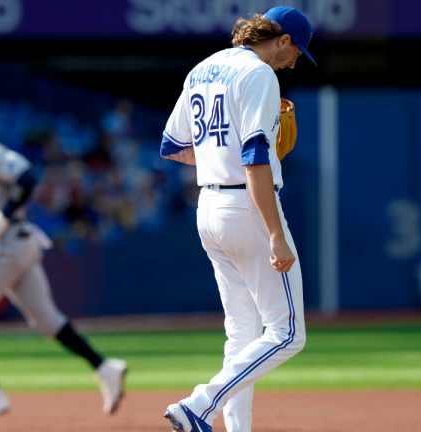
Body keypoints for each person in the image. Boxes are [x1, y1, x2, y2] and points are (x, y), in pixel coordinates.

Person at [158, 6, 315, 432]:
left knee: (242, 332)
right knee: (287, 333)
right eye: (297, 50)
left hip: (208, 208)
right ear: (282, 40)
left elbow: (172, 146)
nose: (295, 60)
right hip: (246, 207)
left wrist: (219, 160)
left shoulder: (202, 69)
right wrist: (275, 235)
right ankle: (199, 403)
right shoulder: (261, 74)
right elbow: (255, 158)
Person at [0, 96, 128, 427]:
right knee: (47, 321)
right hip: (19, 242)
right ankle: (104, 367)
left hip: (4, 245)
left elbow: (26, 177)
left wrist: (4, 215)